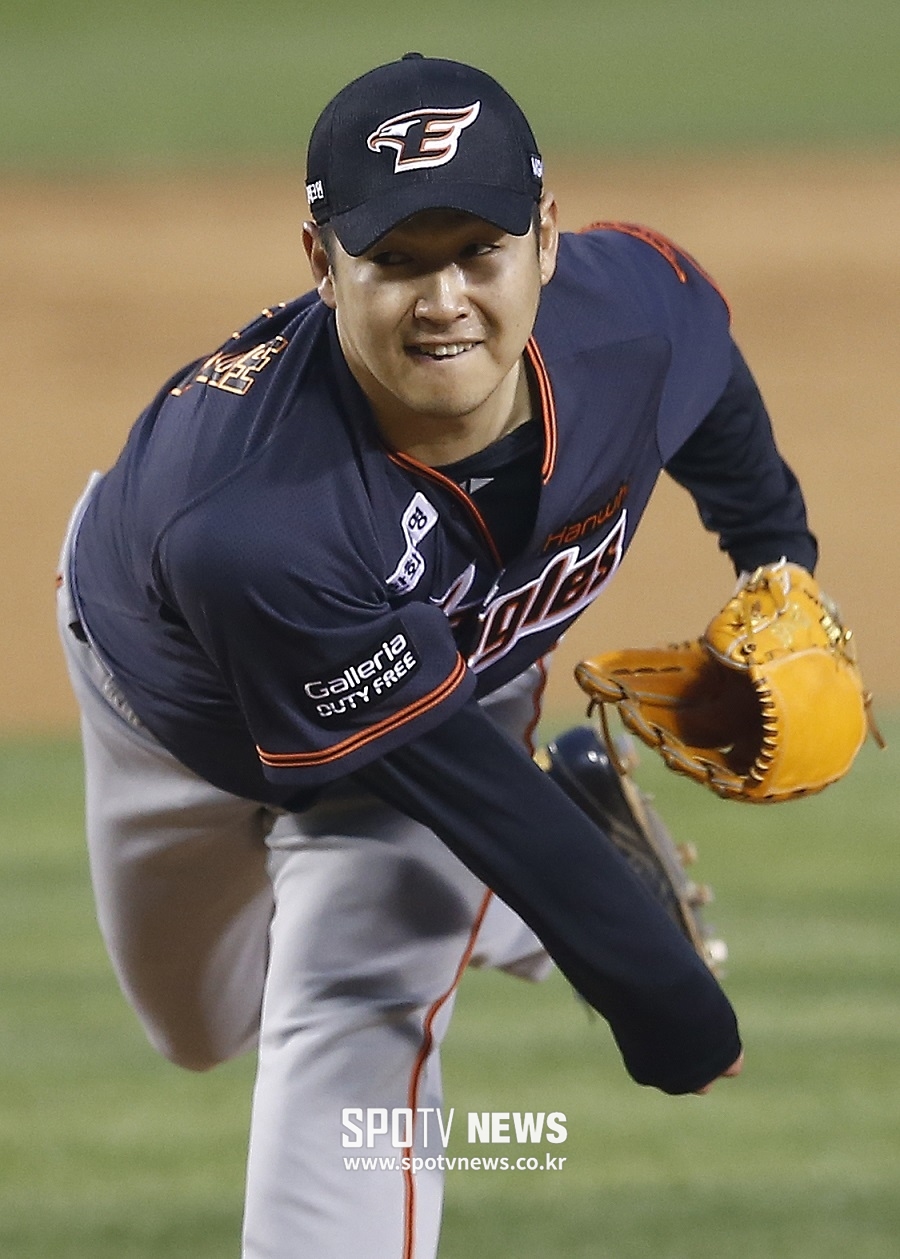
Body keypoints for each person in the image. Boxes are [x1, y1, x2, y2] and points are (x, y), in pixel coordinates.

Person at [55, 50, 825, 1259]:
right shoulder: (256, 524)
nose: (446, 298)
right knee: (200, 1028)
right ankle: (544, 872)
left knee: (354, 993)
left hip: (450, 696)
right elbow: (468, 790)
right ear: (323, 267)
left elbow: (706, 365)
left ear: (546, 240)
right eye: (398, 261)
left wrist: (775, 557)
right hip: (167, 708)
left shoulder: (632, 316)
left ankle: (500, 889)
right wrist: (662, 995)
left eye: (479, 250)